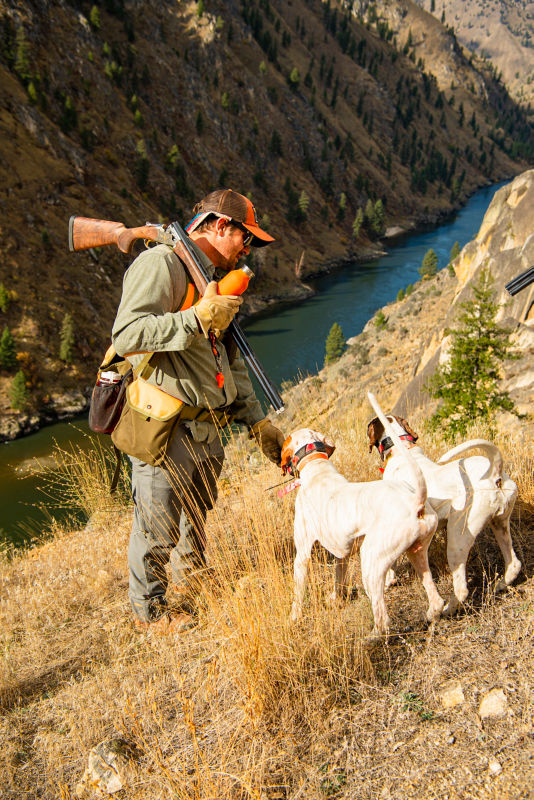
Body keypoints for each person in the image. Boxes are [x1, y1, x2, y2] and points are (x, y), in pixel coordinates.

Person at [111, 189, 285, 633]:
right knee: (156, 529)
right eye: (246, 239)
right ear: (220, 225)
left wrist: (257, 420)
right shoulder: (162, 264)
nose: (248, 251)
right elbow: (128, 334)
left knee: (195, 516)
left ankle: (194, 581)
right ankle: (150, 614)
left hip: (207, 431)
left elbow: (228, 357)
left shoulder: (209, 278)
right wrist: (197, 317)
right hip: (167, 428)